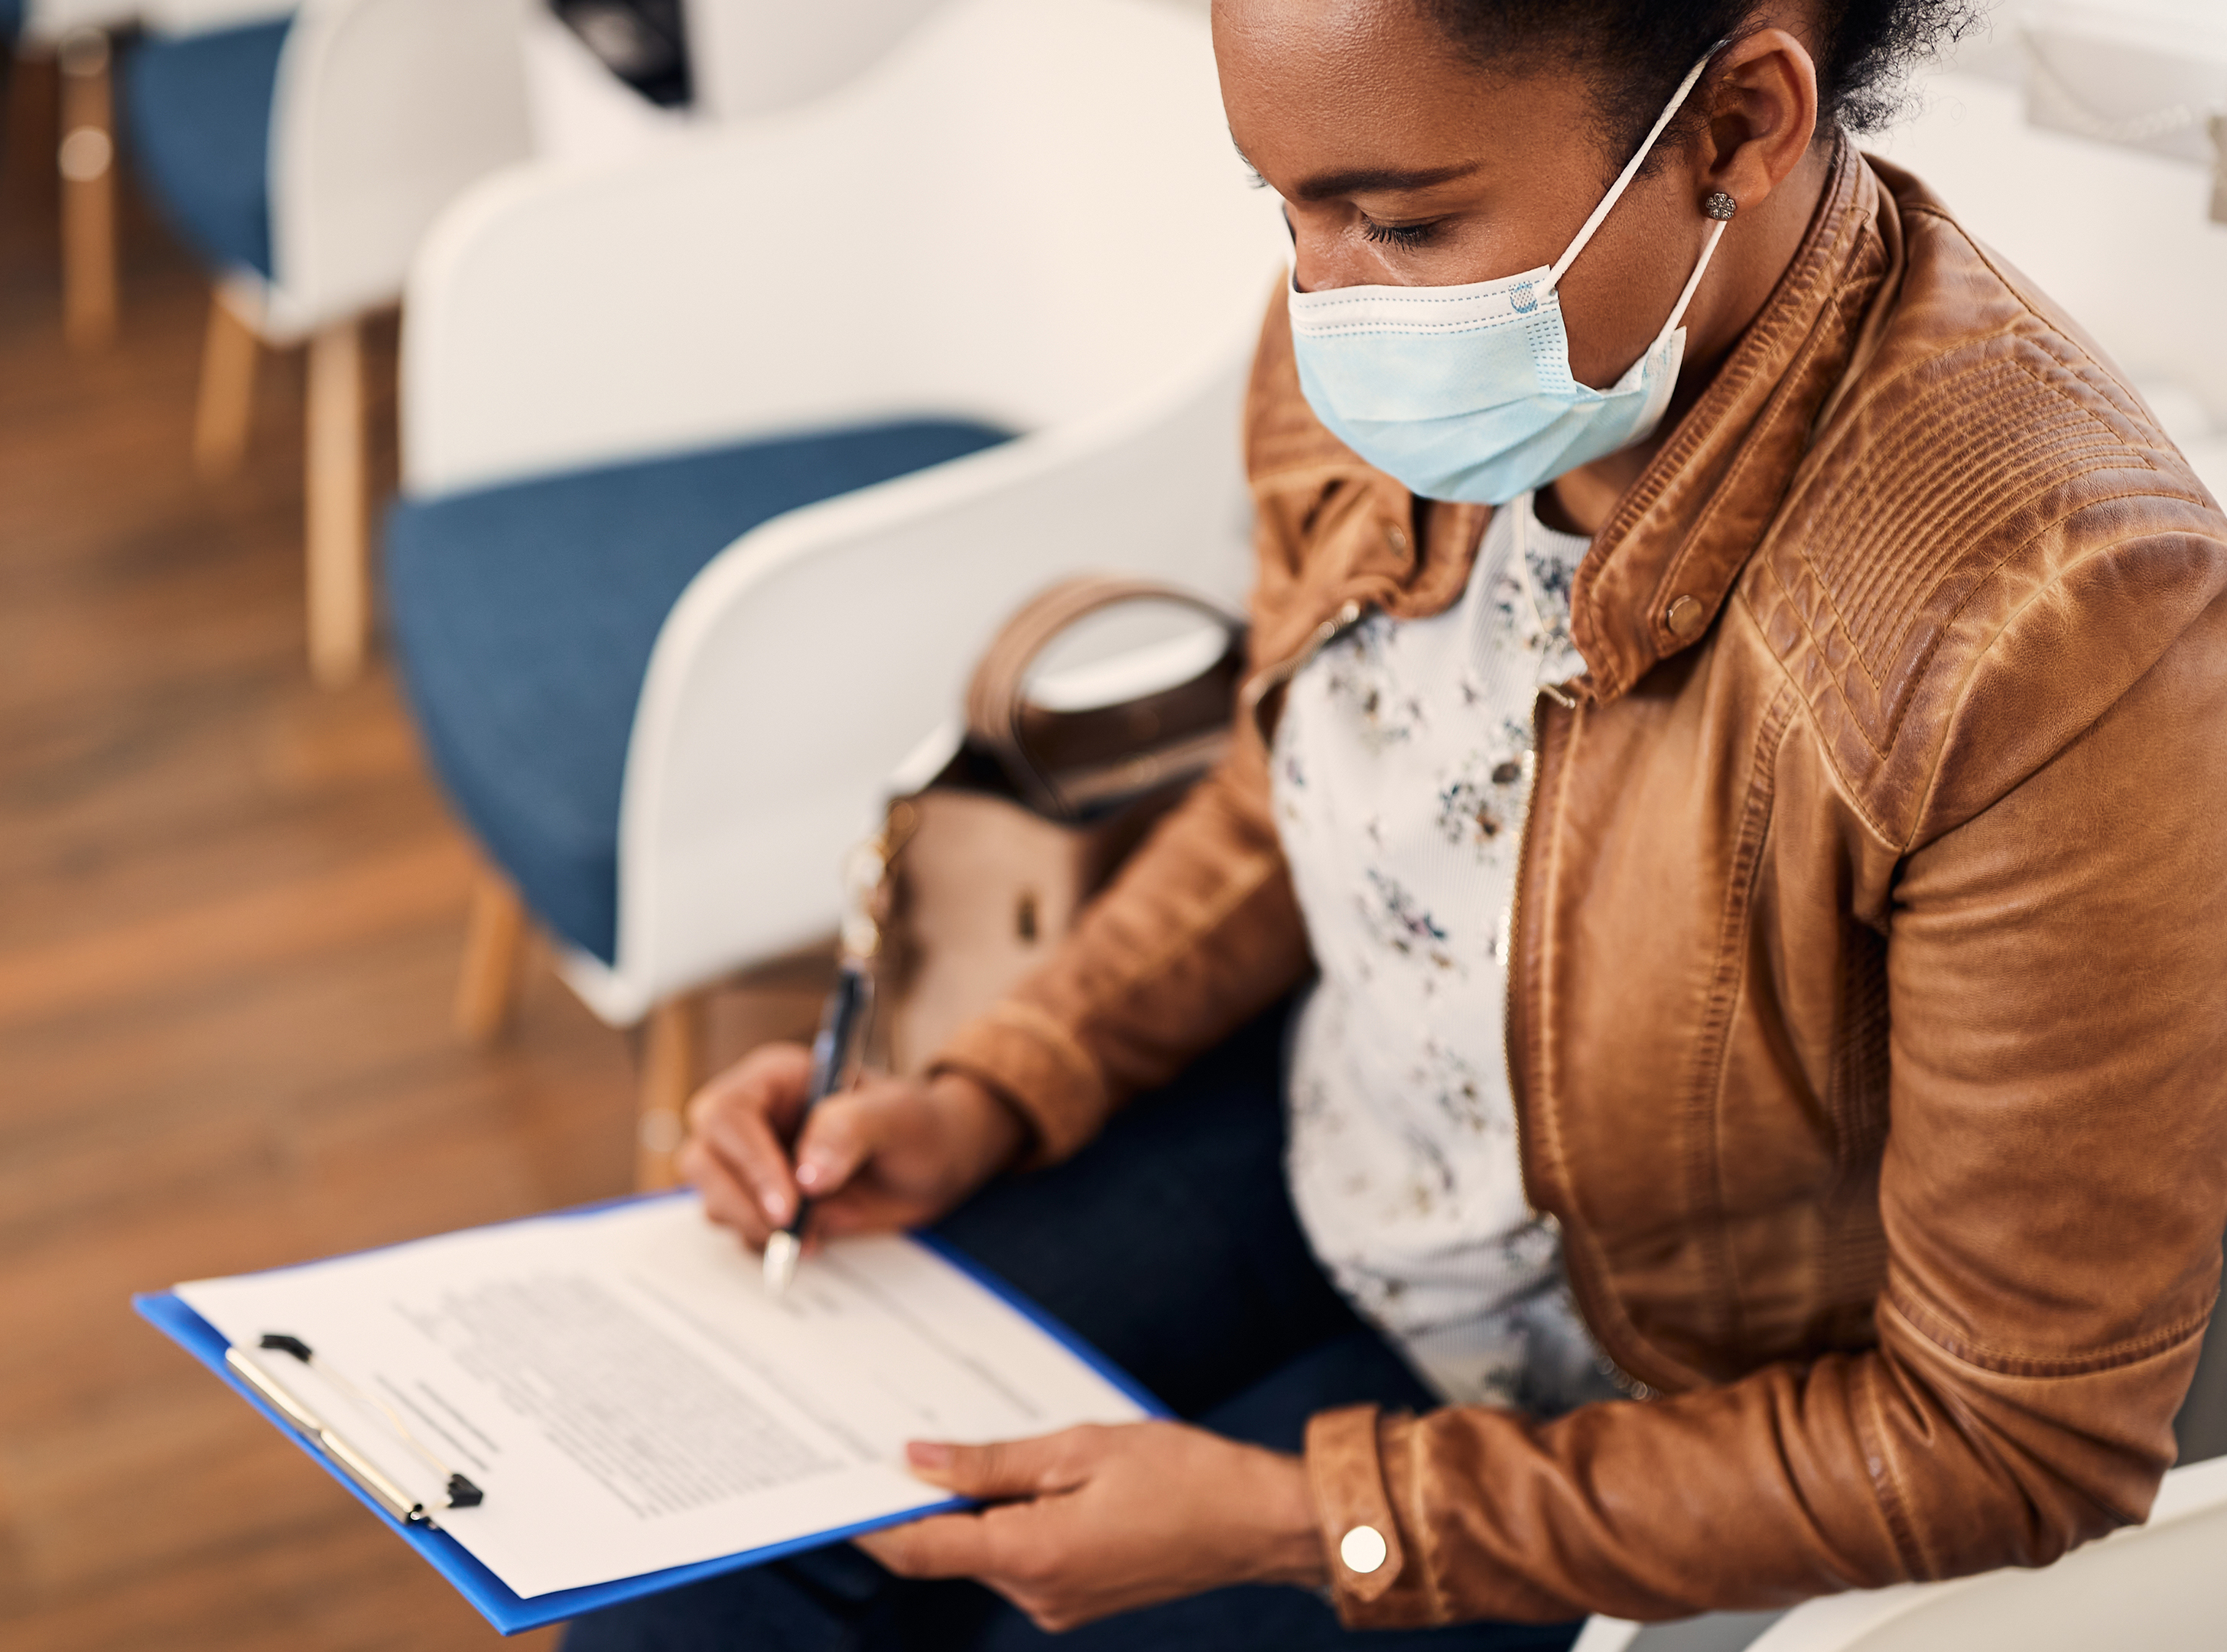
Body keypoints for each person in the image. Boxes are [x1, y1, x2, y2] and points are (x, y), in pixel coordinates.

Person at [576, 0, 2227, 1647]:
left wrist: (1320, 1522)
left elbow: (2008, 1438)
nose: (1321, 297)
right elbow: (1297, 787)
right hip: (1335, 1150)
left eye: (1405, 220)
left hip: (1649, 1409)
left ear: (1737, 125)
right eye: (1281, 207)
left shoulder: (2059, 624)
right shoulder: (1405, 354)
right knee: (695, 1582)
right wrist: (991, 1088)